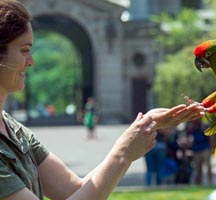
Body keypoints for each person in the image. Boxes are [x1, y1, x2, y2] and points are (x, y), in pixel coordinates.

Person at [0, 1, 205, 199]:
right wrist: (123, 154)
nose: (31, 61)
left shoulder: (12, 128)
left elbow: (74, 190)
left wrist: (144, 125)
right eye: (24, 50)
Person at [186, 119, 213, 185]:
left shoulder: (204, 125)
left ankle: (210, 182)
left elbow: (210, 136)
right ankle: (200, 183)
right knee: (198, 168)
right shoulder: (191, 127)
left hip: (205, 148)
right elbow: (188, 137)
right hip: (196, 149)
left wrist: (211, 147)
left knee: (208, 166)